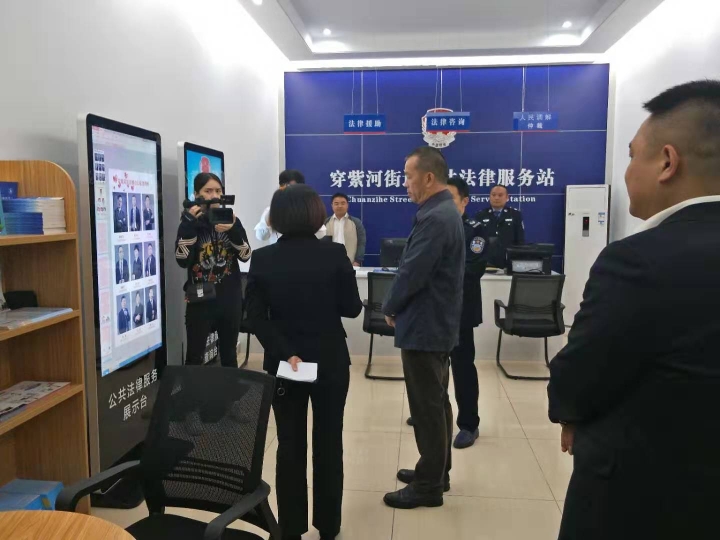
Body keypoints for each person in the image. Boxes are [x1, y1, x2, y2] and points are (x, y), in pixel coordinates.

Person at [548, 80, 720, 540]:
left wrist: (570, 411)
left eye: (631, 156)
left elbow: (580, 373)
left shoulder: (638, 261)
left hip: (646, 497)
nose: (626, 173)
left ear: (666, 162)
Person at [246, 185, 362, 540]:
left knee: (289, 444)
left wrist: (284, 351)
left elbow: (254, 318)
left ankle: (291, 528)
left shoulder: (263, 259)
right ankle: (329, 526)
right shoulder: (335, 253)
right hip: (330, 360)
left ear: (276, 218)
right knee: (329, 442)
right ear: (315, 214)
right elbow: (351, 308)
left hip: (285, 365)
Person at [382, 147, 464, 509]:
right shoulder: (443, 211)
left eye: (408, 176)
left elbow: (412, 272)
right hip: (434, 323)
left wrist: (390, 305)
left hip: (425, 325)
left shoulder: (436, 217)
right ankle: (436, 470)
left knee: (427, 406)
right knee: (436, 401)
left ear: (428, 178)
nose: (405, 183)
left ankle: (429, 485)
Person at [406, 176, 487, 449]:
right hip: (434, 311)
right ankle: (431, 413)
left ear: (465, 201)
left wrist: (435, 272)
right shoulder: (432, 224)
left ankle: (469, 424)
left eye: (451, 198)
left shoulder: (475, 231)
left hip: (461, 312)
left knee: (462, 368)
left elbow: (472, 269)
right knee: (432, 369)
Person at [175, 172, 251, 367]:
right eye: (208, 191)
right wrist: (188, 227)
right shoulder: (189, 223)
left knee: (229, 356)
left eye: (218, 191)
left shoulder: (231, 220)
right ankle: (193, 389)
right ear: (196, 194)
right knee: (194, 358)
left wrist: (233, 230)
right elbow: (182, 260)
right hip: (200, 300)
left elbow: (245, 255)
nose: (214, 195)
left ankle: (230, 388)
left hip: (230, 299)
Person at [254, 170, 326, 244]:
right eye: (283, 186)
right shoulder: (271, 209)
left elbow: (322, 233)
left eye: (291, 187)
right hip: (279, 250)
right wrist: (272, 210)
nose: (287, 191)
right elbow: (261, 236)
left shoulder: (309, 208)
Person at [474, 185, 524, 268]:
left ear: (507, 197)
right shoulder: (480, 215)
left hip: (508, 263)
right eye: (493, 195)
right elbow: (476, 241)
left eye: (500, 195)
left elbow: (520, 241)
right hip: (486, 263)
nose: (496, 198)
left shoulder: (515, 215)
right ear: (489, 197)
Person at [324, 193, 366, 266]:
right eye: (336, 203)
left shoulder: (356, 222)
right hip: (329, 263)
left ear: (347, 205)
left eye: (343, 203)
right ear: (332, 205)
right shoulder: (325, 222)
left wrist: (357, 261)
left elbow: (361, 242)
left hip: (350, 264)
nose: (340, 206)